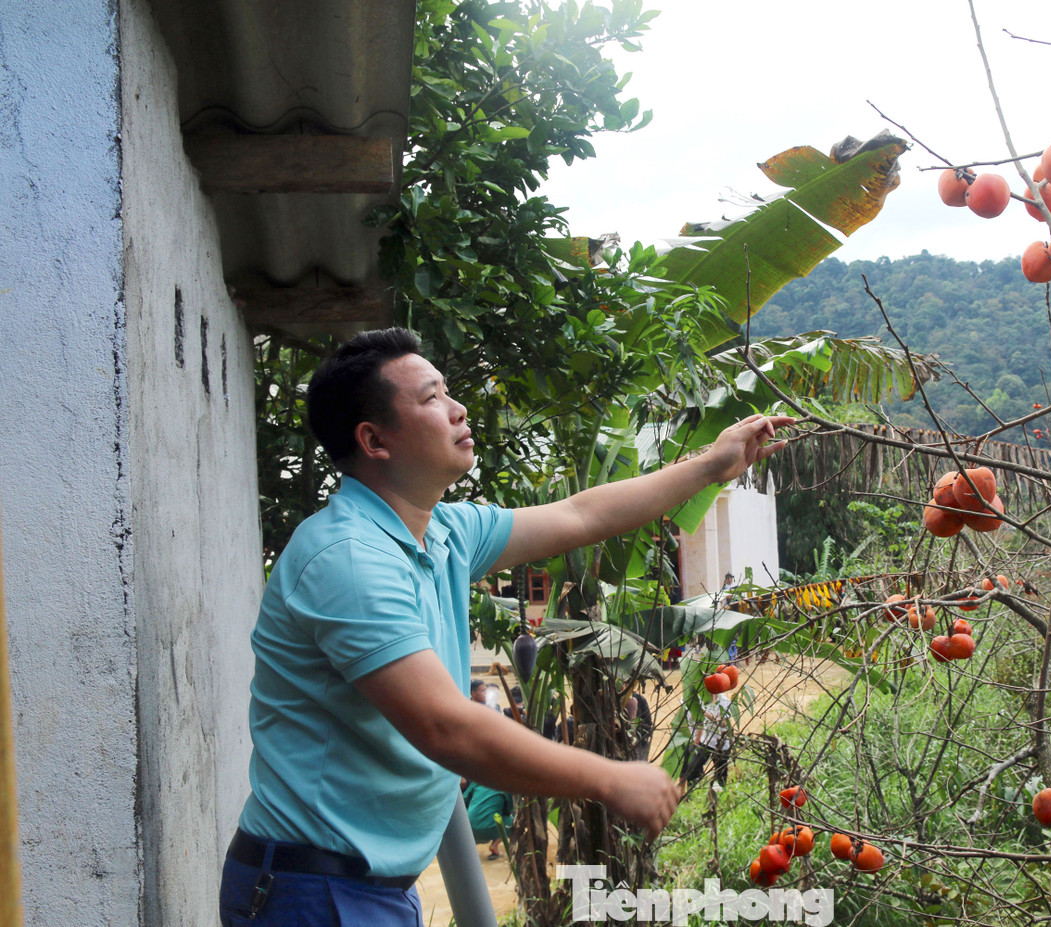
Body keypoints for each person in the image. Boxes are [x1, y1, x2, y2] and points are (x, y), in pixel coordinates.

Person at [218, 327, 792, 925]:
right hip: (310, 890)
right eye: (432, 398)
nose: (458, 407)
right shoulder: (347, 559)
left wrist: (713, 466)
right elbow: (447, 727)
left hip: (367, 885)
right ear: (374, 440)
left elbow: (580, 514)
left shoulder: (442, 531)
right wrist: (608, 777)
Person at [678, 691, 734, 792]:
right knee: (692, 767)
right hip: (705, 741)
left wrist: (706, 714)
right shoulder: (699, 700)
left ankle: (720, 796)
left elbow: (724, 723)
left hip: (721, 743)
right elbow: (695, 720)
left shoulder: (724, 702)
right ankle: (693, 795)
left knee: (721, 774)